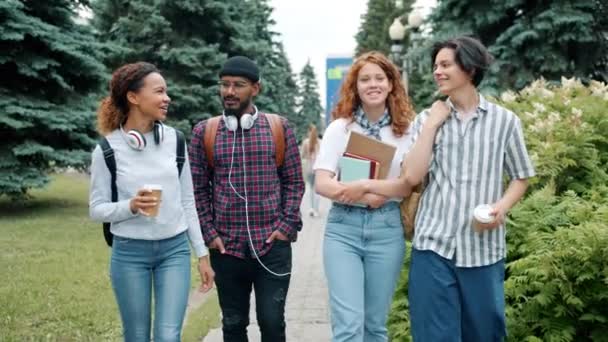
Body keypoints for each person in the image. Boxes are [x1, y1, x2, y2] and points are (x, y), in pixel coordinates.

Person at [404, 36, 536, 342]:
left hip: (483, 249)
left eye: (446, 64)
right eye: (436, 65)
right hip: (433, 247)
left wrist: (501, 208)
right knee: (433, 336)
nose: (437, 71)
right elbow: (412, 176)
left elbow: (521, 177)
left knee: (485, 334)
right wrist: (431, 127)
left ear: (470, 69)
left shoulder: (505, 122)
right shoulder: (427, 119)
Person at [89, 62, 214, 342]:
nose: (166, 98)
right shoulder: (107, 149)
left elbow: (187, 200)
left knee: (169, 336)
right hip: (129, 253)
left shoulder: (176, 141)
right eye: (159, 91)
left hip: (175, 251)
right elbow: (96, 209)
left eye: (166, 91)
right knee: (136, 336)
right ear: (133, 97)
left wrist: (202, 254)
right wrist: (130, 206)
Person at [189, 56, 305, 342]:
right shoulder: (205, 132)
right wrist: (209, 232)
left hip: (272, 247)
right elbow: (197, 189)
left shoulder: (279, 128)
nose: (229, 91)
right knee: (232, 324)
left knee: (272, 322)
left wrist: (286, 229)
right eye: (224, 85)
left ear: (256, 89)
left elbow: (294, 182)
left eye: (238, 85)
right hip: (226, 248)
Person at [313, 51, 419, 342]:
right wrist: (363, 193)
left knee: (375, 327)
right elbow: (322, 183)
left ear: (391, 84)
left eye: (379, 78)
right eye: (365, 79)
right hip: (342, 231)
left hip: (387, 230)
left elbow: (408, 184)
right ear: (355, 87)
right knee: (348, 327)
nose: (373, 84)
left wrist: (365, 188)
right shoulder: (340, 128)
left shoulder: (407, 131)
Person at [300, 124, 321, 217]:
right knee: (317, 191)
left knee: (311, 189)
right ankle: (316, 210)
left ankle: (311, 209)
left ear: (309, 132)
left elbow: (302, 155)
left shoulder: (306, 142)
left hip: (309, 169)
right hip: (318, 169)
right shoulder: (320, 142)